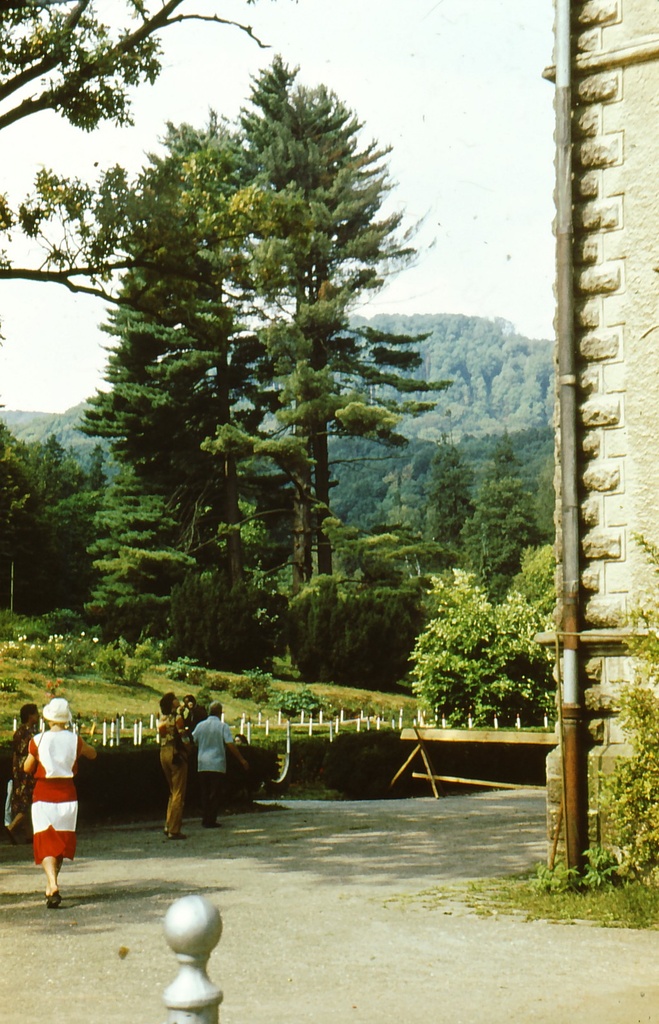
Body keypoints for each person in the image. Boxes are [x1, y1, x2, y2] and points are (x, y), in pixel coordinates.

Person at [23, 697, 97, 909]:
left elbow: (27, 768)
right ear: (66, 719)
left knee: (45, 841)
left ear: (47, 718)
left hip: (43, 795)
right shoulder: (75, 740)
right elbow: (93, 754)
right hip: (67, 795)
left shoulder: (37, 740)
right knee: (61, 844)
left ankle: (52, 884)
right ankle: (51, 886)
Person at [192, 702, 249, 828]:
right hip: (217, 763)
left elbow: (193, 740)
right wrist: (241, 759)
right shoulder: (223, 727)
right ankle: (211, 819)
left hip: (202, 763)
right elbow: (230, 744)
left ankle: (205, 817)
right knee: (215, 792)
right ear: (220, 712)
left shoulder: (200, 726)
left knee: (204, 792)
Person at [5, 703, 40, 845]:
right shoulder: (33, 734)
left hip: (18, 771)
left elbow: (15, 753)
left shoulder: (18, 732)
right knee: (27, 802)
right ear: (30, 716)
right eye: (36, 713)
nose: (38, 716)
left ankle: (28, 835)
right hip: (28, 770)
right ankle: (11, 827)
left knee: (22, 801)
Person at [158, 692, 190, 840]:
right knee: (178, 792)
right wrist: (189, 749)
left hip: (163, 752)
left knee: (172, 790)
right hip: (176, 754)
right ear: (172, 703)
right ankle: (174, 829)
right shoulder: (177, 719)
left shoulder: (162, 719)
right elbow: (183, 737)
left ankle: (168, 823)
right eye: (176, 699)